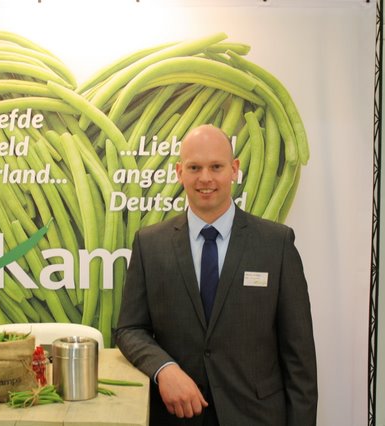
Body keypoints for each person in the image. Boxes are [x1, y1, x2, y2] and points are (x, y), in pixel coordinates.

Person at [115, 124, 317, 425]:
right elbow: (129, 329)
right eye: (194, 168)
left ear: (234, 169)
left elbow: (299, 357)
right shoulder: (150, 244)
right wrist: (164, 369)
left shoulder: (276, 244)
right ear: (179, 172)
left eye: (216, 167)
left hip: (256, 417)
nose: (205, 178)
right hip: (179, 416)